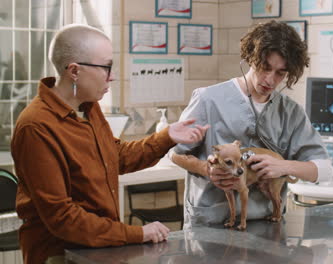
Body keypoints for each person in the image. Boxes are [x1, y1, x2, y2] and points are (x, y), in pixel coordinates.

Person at [11, 24, 209, 264]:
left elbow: (115, 156)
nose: (112, 76)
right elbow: (62, 217)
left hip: (99, 250)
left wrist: (167, 137)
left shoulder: (88, 107)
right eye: (106, 67)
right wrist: (136, 233)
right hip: (59, 255)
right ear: (74, 71)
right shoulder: (36, 127)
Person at [170, 20, 332, 229]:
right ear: (250, 57)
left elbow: (324, 170)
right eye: (265, 68)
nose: (270, 80)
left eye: (280, 73)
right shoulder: (208, 100)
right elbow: (174, 153)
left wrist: (283, 166)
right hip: (212, 225)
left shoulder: (291, 113)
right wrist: (206, 169)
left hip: (267, 228)